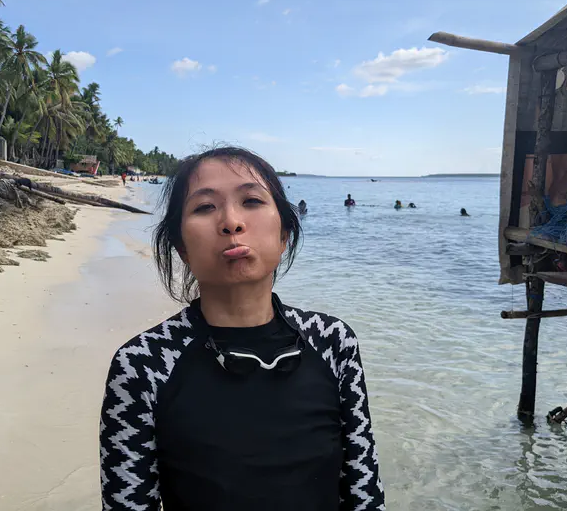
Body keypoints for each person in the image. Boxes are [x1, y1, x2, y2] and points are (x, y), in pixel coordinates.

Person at [100, 146, 384, 511]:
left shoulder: (332, 342)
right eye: (205, 207)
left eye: (251, 200)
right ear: (182, 248)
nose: (231, 222)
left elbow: (365, 492)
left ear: (285, 235)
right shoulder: (143, 364)